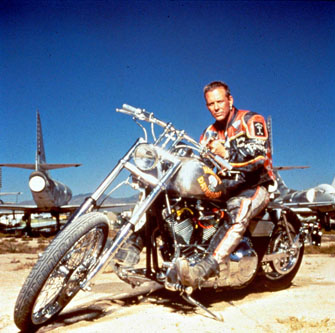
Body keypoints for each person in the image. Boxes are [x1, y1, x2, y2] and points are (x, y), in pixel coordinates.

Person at [175, 81, 275, 288]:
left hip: (255, 184)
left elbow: (259, 156)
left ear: (230, 100)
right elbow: (202, 163)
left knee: (238, 209)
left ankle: (200, 271)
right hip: (224, 188)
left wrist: (227, 152)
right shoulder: (208, 133)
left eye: (220, 101)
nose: (216, 107)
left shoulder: (251, 119)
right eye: (211, 104)